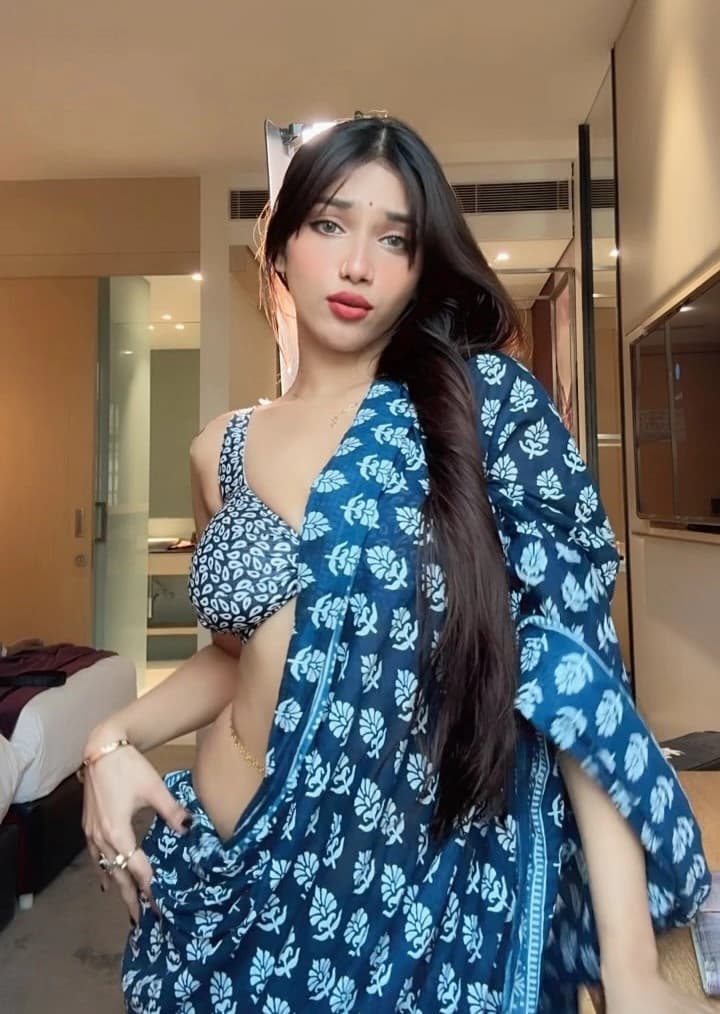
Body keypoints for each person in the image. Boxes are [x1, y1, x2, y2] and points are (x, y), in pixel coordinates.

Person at [81, 116, 712, 1013]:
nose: (356, 266)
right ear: (280, 245)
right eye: (329, 225)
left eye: (395, 240)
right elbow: (238, 657)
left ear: (421, 268)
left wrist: (631, 961)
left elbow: (574, 673)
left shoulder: (480, 410)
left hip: (401, 893)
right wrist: (109, 741)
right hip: (219, 866)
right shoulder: (219, 449)